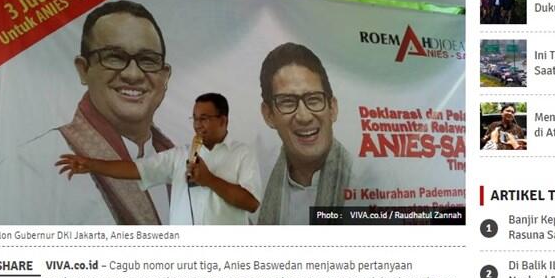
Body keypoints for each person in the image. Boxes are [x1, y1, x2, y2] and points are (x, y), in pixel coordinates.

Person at [0, 0, 176, 225]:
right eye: (114, 57)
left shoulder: (179, 163)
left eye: (148, 60)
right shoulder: (33, 164)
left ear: (164, 76)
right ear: (83, 69)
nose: (133, 74)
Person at [56, 93, 261, 225]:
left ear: (223, 120)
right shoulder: (180, 154)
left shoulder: (243, 153)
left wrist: (209, 180)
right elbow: (136, 169)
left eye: (204, 119)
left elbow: (251, 203)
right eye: (195, 119)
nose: (198, 125)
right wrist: (91, 164)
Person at [257, 43, 352, 224]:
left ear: (333, 108)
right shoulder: (255, 192)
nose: (304, 116)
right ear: (268, 114)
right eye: (287, 102)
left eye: (314, 99)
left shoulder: (369, 181)